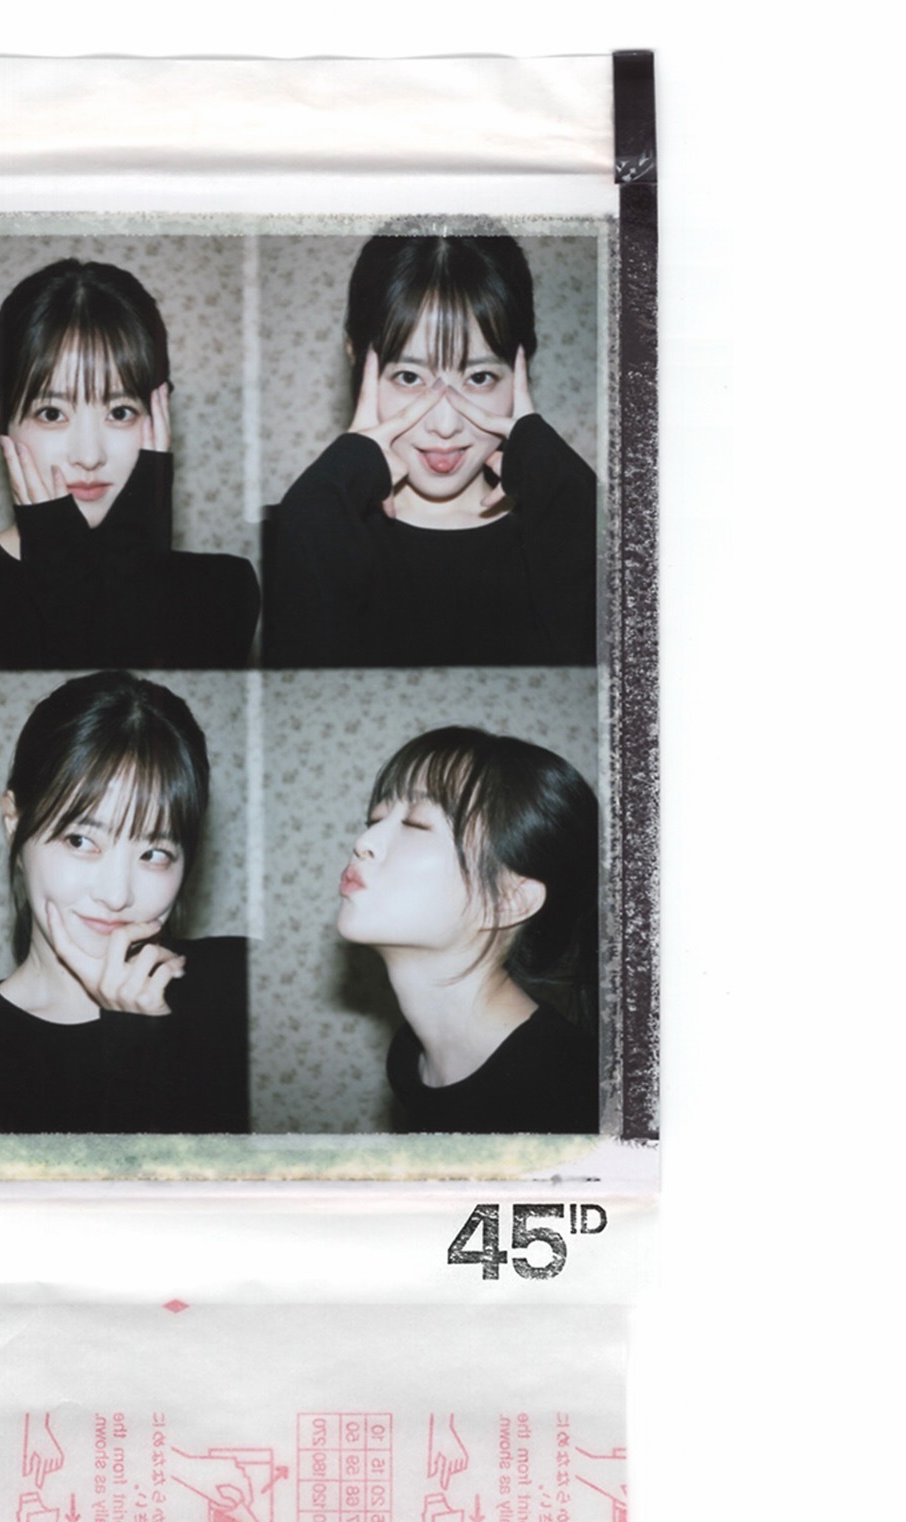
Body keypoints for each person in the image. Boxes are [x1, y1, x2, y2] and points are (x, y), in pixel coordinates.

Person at [0, 671, 248, 1133]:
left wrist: (147, 1040)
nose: (116, 895)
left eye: (154, 853)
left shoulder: (240, 992)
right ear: (14, 823)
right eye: (81, 841)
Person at [0, 259, 259, 671]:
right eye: (52, 413)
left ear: (159, 412)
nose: (90, 455)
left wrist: (100, 564)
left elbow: (123, 696)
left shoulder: (221, 591)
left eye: (120, 412)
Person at [264, 236, 596, 667]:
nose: (445, 424)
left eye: (479, 378)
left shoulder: (571, 528)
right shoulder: (299, 530)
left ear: (522, 368)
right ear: (356, 359)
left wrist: (575, 504)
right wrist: (316, 508)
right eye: (408, 377)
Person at [336, 726, 599, 1133]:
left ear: (509, 901)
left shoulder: (570, 1101)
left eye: (417, 824)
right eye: (376, 818)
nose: (365, 841)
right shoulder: (411, 1057)